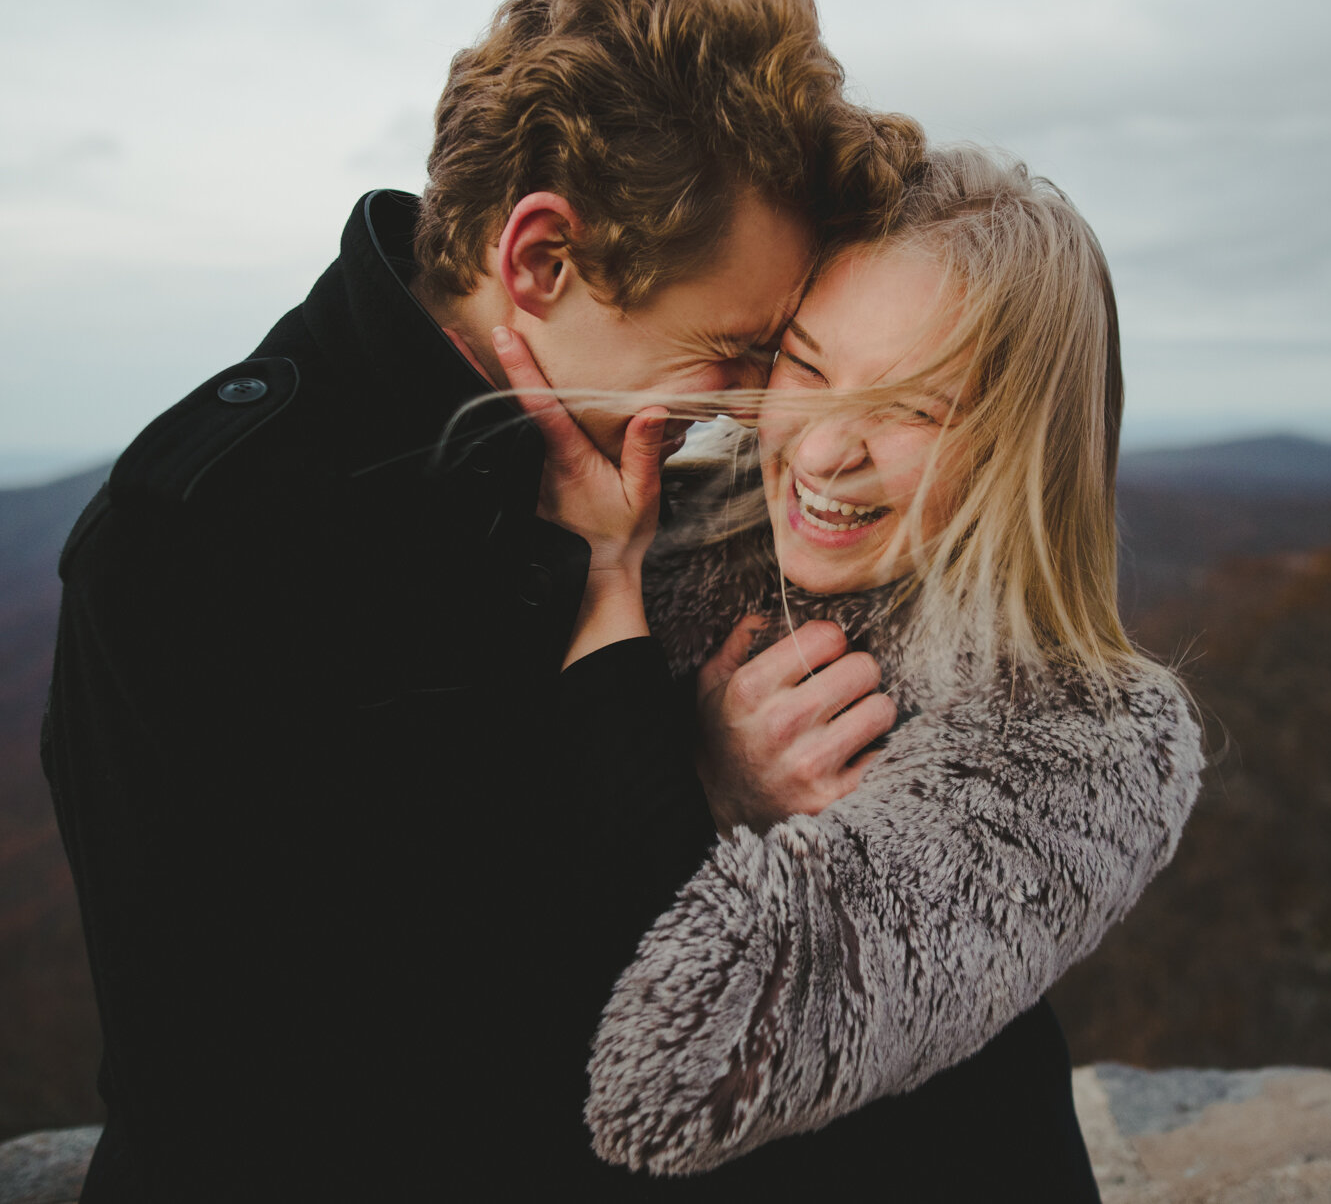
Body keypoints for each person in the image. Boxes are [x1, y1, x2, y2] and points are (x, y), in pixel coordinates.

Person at [39, 0, 922, 1199]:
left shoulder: (618, 454)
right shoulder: (210, 542)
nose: (750, 408)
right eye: (728, 351)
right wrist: (701, 782)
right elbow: (343, 1062)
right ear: (539, 260)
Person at [496, 144, 1205, 1192]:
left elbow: (670, 1082)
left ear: (1023, 439)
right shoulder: (657, 530)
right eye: (808, 367)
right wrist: (700, 770)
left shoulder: (1083, 733)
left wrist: (613, 612)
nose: (826, 452)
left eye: (913, 408)